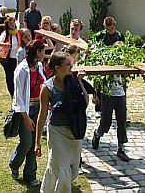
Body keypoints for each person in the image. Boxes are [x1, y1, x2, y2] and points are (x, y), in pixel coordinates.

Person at [35, 51, 88, 193]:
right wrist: (37, 142)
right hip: (57, 132)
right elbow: (42, 115)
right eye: (68, 64)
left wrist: (80, 82)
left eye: (71, 63)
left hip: (74, 130)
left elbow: (85, 103)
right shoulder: (47, 88)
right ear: (57, 68)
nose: (72, 66)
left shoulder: (73, 81)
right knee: (61, 166)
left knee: (73, 168)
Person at [9, 39, 46, 187]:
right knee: (27, 143)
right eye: (43, 51)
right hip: (25, 111)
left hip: (38, 109)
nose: (45, 54)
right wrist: (25, 117)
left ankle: (30, 175)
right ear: (38, 52)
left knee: (34, 144)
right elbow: (18, 96)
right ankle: (14, 163)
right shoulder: (22, 69)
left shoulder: (39, 66)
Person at [94, 16, 125, 118]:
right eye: (108, 29)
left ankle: (119, 110)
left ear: (115, 26)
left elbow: (123, 50)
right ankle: (98, 108)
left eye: (112, 28)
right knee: (100, 84)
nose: (110, 31)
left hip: (116, 63)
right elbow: (95, 48)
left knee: (117, 85)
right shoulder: (100, 36)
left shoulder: (120, 36)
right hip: (102, 63)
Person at [0, 17, 20, 98]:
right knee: (10, 77)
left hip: (17, 59)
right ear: (7, 25)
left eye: (13, 23)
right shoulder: (5, 33)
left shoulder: (18, 33)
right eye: (10, 23)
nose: (12, 24)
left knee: (17, 76)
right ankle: (12, 94)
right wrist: (5, 45)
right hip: (8, 59)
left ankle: (17, 93)